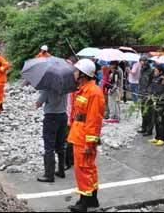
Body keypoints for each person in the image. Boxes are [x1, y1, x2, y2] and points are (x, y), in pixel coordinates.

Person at [67, 59, 105, 212]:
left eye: (76, 71)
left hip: (84, 137)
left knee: (83, 169)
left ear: (83, 74)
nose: (74, 73)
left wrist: (90, 143)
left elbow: (94, 120)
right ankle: (92, 199)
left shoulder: (94, 93)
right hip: (79, 134)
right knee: (87, 168)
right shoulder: (83, 89)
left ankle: (83, 202)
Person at [35, 89, 68, 183]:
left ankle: (49, 175)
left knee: (49, 147)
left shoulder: (48, 88)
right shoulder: (66, 86)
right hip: (63, 116)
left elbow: (38, 103)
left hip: (51, 117)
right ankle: (61, 170)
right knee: (61, 145)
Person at [148, 66, 164, 146]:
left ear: (161, 72)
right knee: (156, 120)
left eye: (156, 71)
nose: (155, 72)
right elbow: (152, 88)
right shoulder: (154, 78)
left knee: (161, 120)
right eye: (154, 71)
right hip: (155, 101)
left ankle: (162, 138)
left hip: (162, 102)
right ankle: (157, 137)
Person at [137, 55, 154, 136]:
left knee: (149, 113)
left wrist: (149, 93)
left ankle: (149, 130)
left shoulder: (151, 71)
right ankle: (144, 127)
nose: (141, 63)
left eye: (143, 61)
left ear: (146, 61)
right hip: (142, 93)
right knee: (143, 112)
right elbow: (141, 82)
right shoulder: (141, 70)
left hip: (148, 94)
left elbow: (152, 83)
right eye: (140, 61)